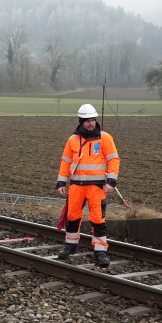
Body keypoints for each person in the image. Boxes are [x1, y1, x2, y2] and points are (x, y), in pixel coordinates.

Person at [55, 104, 120, 267]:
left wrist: (111, 182)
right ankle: (70, 246)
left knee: (98, 219)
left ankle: (100, 252)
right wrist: (61, 181)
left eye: (93, 120)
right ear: (81, 121)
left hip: (97, 187)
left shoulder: (105, 138)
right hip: (76, 186)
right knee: (72, 217)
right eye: (87, 121)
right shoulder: (73, 140)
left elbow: (113, 160)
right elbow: (65, 162)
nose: (91, 123)